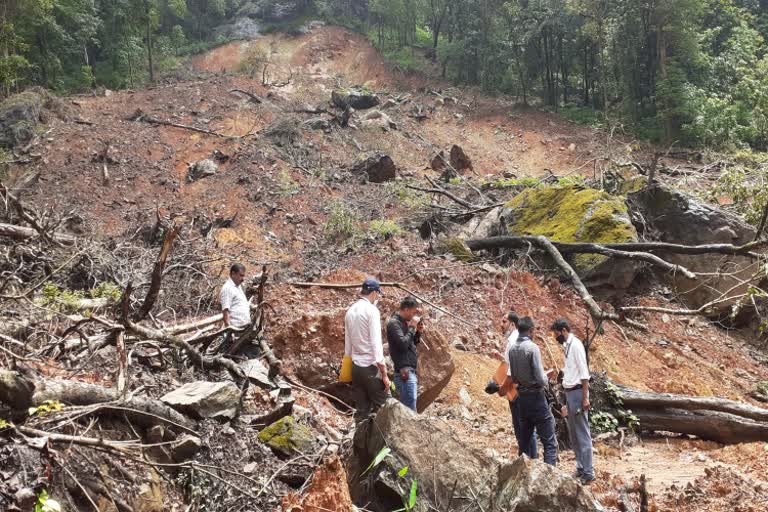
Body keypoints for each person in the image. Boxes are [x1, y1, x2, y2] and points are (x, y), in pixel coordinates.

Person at [502, 316, 558, 465]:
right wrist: (547, 378)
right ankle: (549, 478)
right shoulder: (532, 348)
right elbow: (540, 378)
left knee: (524, 441)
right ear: (531, 330)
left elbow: (513, 376)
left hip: (521, 398)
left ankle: (523, 475)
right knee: (549, 441)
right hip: (536, 397)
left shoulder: (512, 349)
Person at [551, 318, 594, 484]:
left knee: (582, 433)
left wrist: (585, 398)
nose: (556, 337)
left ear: (563, 330)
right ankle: (580, 467)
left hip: (577, 393)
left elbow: (584, 374)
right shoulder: (566, 346)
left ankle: (589, 472)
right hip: (570, 393)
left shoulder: (576, 345)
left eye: (556, 334)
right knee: (574, 434)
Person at [344, 278, 389, 421]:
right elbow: (376, 344)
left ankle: (359, 441)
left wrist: (348, 368)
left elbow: (348, 344)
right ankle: (385, 443)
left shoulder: (350, 311)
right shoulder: (372, 311)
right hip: (370, 367)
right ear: (374, 293)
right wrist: (384, 374)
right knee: (386, 408)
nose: (377, 297)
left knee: (362, 412)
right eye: (378, 294)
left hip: (355, 368)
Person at [500, 311, 537, 458]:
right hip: (519, 388)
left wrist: (503, 388)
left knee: (523, 427)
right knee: (523, 427)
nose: (501, 325)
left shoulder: (513, 341)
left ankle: (529, 460)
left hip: (516, 390)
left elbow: (512, 370)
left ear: (513, 324)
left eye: (504, 322)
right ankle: (527, 459)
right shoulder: (514, 340)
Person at [387, 296, 424, 412]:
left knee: (410, 408)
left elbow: (410, 345)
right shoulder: (394, 323)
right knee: (410, 411)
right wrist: (412, 327)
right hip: (405, 373)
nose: (413, 316)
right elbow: (402, 345)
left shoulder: (403, 324)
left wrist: (417, 333)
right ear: (406, 309)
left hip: (409, 372)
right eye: (413, 312)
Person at [219, 263, 251, 353]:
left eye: (243, 276)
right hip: (235, 331)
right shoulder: (227, 288)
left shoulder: (238, 287)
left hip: (243, 330)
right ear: (233, 274)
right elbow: (226, 312)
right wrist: (230, 332)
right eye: (241, 275)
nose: (242, 279)